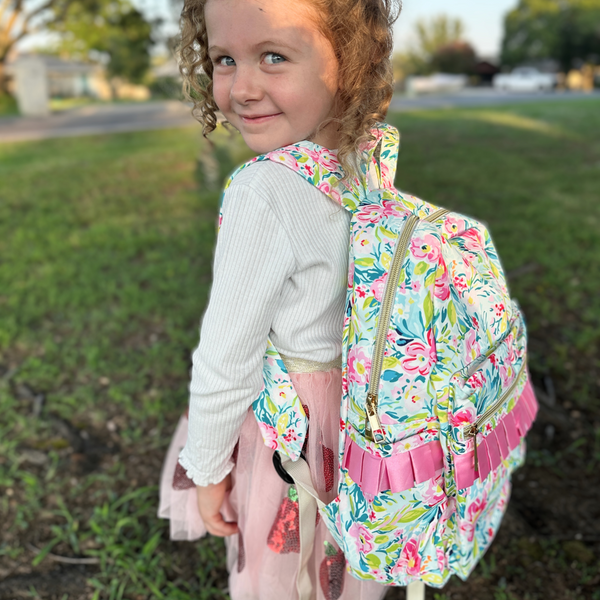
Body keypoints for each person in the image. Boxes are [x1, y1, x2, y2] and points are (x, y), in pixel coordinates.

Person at [159, 0, 401, 598]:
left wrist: (208, 467)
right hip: (361, 417)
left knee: (279, 576)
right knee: (341, 563)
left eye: (273, 56)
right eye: (223, 59)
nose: (241, 87)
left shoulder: (263, 189)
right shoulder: (367, 157)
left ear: (346, 62)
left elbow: (227, 355)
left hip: (289, 435)